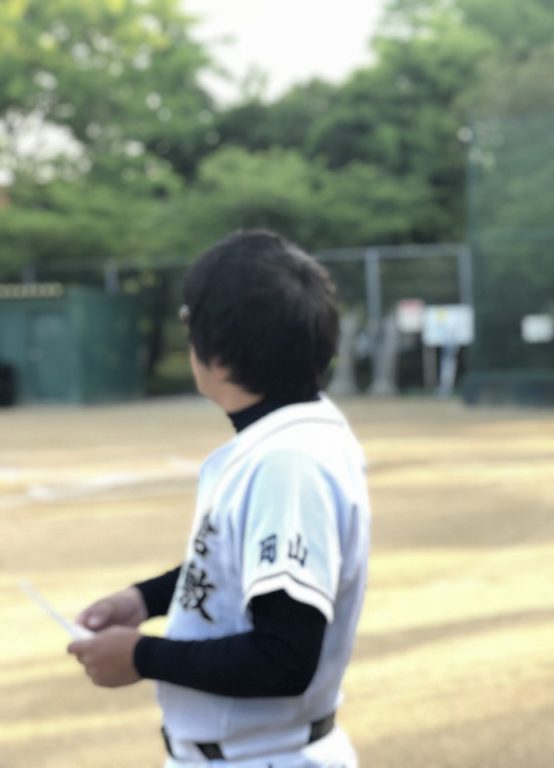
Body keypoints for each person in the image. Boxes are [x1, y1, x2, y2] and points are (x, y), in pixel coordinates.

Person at [68, 230, 371, 768]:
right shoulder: (295, 435)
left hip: (263, 757)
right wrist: (143, 600)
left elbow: (284, 658)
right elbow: (237, 566)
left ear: (220, 352)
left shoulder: (287, 463)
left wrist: (141, 656)